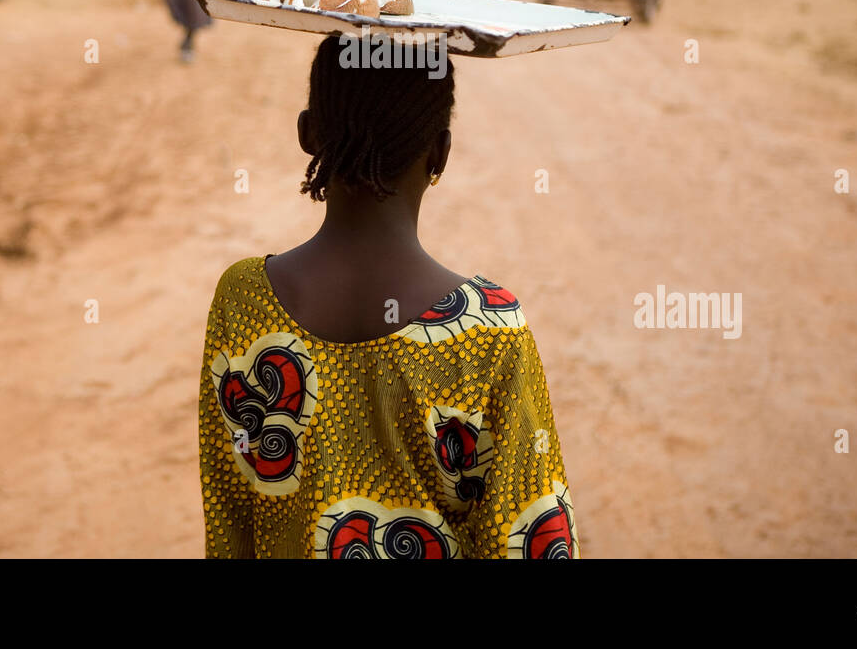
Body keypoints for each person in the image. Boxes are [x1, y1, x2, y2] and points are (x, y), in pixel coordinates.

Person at [198, 35, 578, 559]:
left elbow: (230, 515)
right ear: (441, 152)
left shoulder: (242, 300)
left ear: (308, 135)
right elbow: (532, 538)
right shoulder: (488, 329)